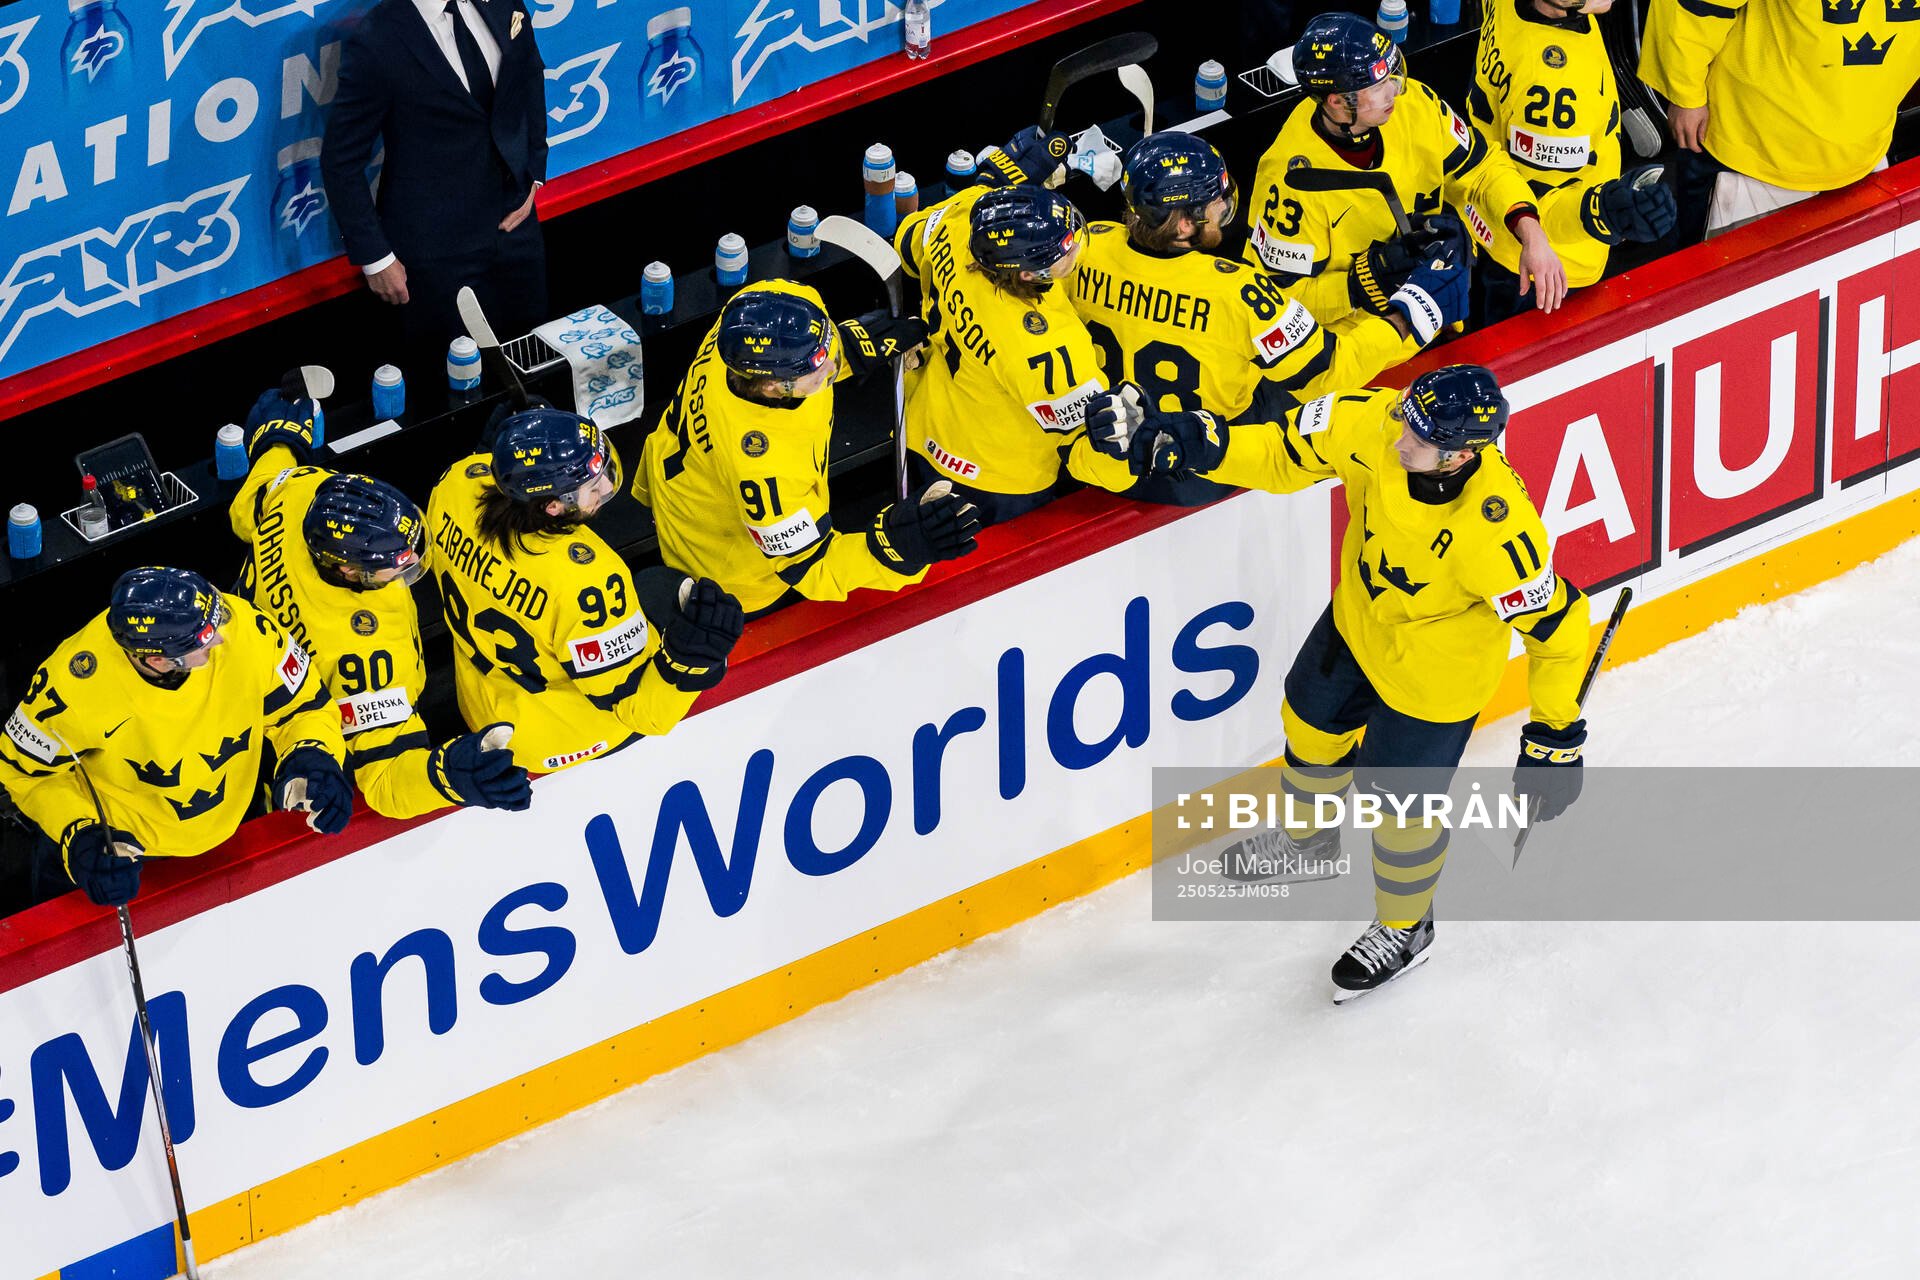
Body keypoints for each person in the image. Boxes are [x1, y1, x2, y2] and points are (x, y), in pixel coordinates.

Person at [1090, 366, 1591, 1000]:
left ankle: (1407, 927)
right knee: (1307, 719)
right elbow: (1282, 453)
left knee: (1398, 805)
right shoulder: (1374, 420)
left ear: (1463, 454)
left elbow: (1562, 628)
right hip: (1361, 620)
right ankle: (1309, 840)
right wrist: (1206, 444)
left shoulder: (1495, 532)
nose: (1401, 439)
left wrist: (1556, 733)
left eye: (1422, 436)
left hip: (1437, 672)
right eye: (1407, 417)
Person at [230, 384, 532, 818]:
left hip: (249, 672)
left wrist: (279, 440)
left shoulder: (300, 492)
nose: (408, 568)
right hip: (284, 740)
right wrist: (446, 778)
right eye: (395, 565)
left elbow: (252, 500)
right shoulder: (367, 659)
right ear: (350, 570)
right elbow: (386, 781)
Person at [0, 567, 353, 909]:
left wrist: (314, 754)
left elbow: (304, 707)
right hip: (122, 861)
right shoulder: (70, 688)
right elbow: (24, 774)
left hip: (233, 835)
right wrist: (79, 835)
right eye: (203, 641)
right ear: (158, 660)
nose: (221, 638)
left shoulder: (246, 628)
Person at [1070, 131, 1461, 437]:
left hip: (1112, 437)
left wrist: (1358, 285)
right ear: (1185, 223)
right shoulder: (1239, 290)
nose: (1223, 207)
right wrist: (1410, 316)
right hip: (1208, 450)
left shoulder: (1085, 246)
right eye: (1213, 201)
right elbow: (1329, 372)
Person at [426, 406, 745, 774]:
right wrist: (692, 660)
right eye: (592, 486)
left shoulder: (456, 483)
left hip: (484, 706)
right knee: (659, 589)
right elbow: (647, 715)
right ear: (553, 506)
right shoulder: (588, 582)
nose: (607, 488)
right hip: (561, 739)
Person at [633, 280, 980, 617]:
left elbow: (815, 346)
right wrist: (895, 547)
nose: (831, 367)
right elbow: (811, 567)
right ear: (773, 388)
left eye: (825, 350)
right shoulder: (762, 471)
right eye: (815, 370)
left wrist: (854, 343)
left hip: (684, 470)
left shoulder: (765, 303)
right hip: (721, 553)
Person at [1244, 10, 1569, 323]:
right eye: (1376, 87)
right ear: (1337, 101)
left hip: (1436, 319)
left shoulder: (1416, 104)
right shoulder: (1289, 181)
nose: (1395, 92)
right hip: (1357, 354)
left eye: (1391, 74)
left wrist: (1530, 230)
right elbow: (1278, 302)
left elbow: (1482, 169)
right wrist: (1361, 284)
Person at [894, 173, 1142, 524]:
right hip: (998, 479)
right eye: (1063, 248)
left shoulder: (958, 223)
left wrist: (987, 180)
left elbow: (906, 240)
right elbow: (1085, 455)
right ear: (1028, 274)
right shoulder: (1048, 347)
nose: (1074, 248)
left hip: (924, 428)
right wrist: (1125, 445)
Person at [321, 0, 550, 363]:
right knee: (454, 395)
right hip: (435, 256)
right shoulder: (378, 38)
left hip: (516, 233)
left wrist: (534, 172)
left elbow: (529, 75)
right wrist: (376, 259)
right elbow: (341, 160)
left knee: (533, 363)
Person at [1641, 0, 1920, 241]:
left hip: (1862, 149)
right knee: (1716, 290)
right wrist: (1685, 94)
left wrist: (1684, 92)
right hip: (1750, 152)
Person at [1466, 0, 1675, 322]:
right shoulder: (1554, 90)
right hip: (1546, 268)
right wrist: (1604, 209)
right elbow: (1540, 204)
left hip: (1487, 218)